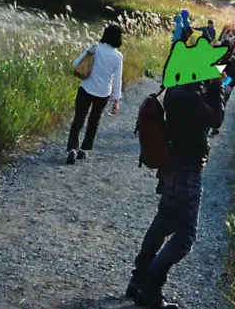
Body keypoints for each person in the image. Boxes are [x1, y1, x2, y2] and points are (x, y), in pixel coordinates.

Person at [128, 79, 225, 309]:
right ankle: (151, 287)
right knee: (185, 236)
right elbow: (216, 118)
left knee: (163, 224)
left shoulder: (176, 90)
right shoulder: (191, 97)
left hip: (171, 168)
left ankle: (138, 279)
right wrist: (217, 87)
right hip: (187, 170)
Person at [67, 24, 123, 165]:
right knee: (94, 121)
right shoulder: (118, 57)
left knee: (78, 119)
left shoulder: (95, 48)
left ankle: (72, 149)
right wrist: (116, 101)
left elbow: (75, 64)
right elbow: (117, 79)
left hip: (86, 88)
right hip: (103, 92)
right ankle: (84, 150)